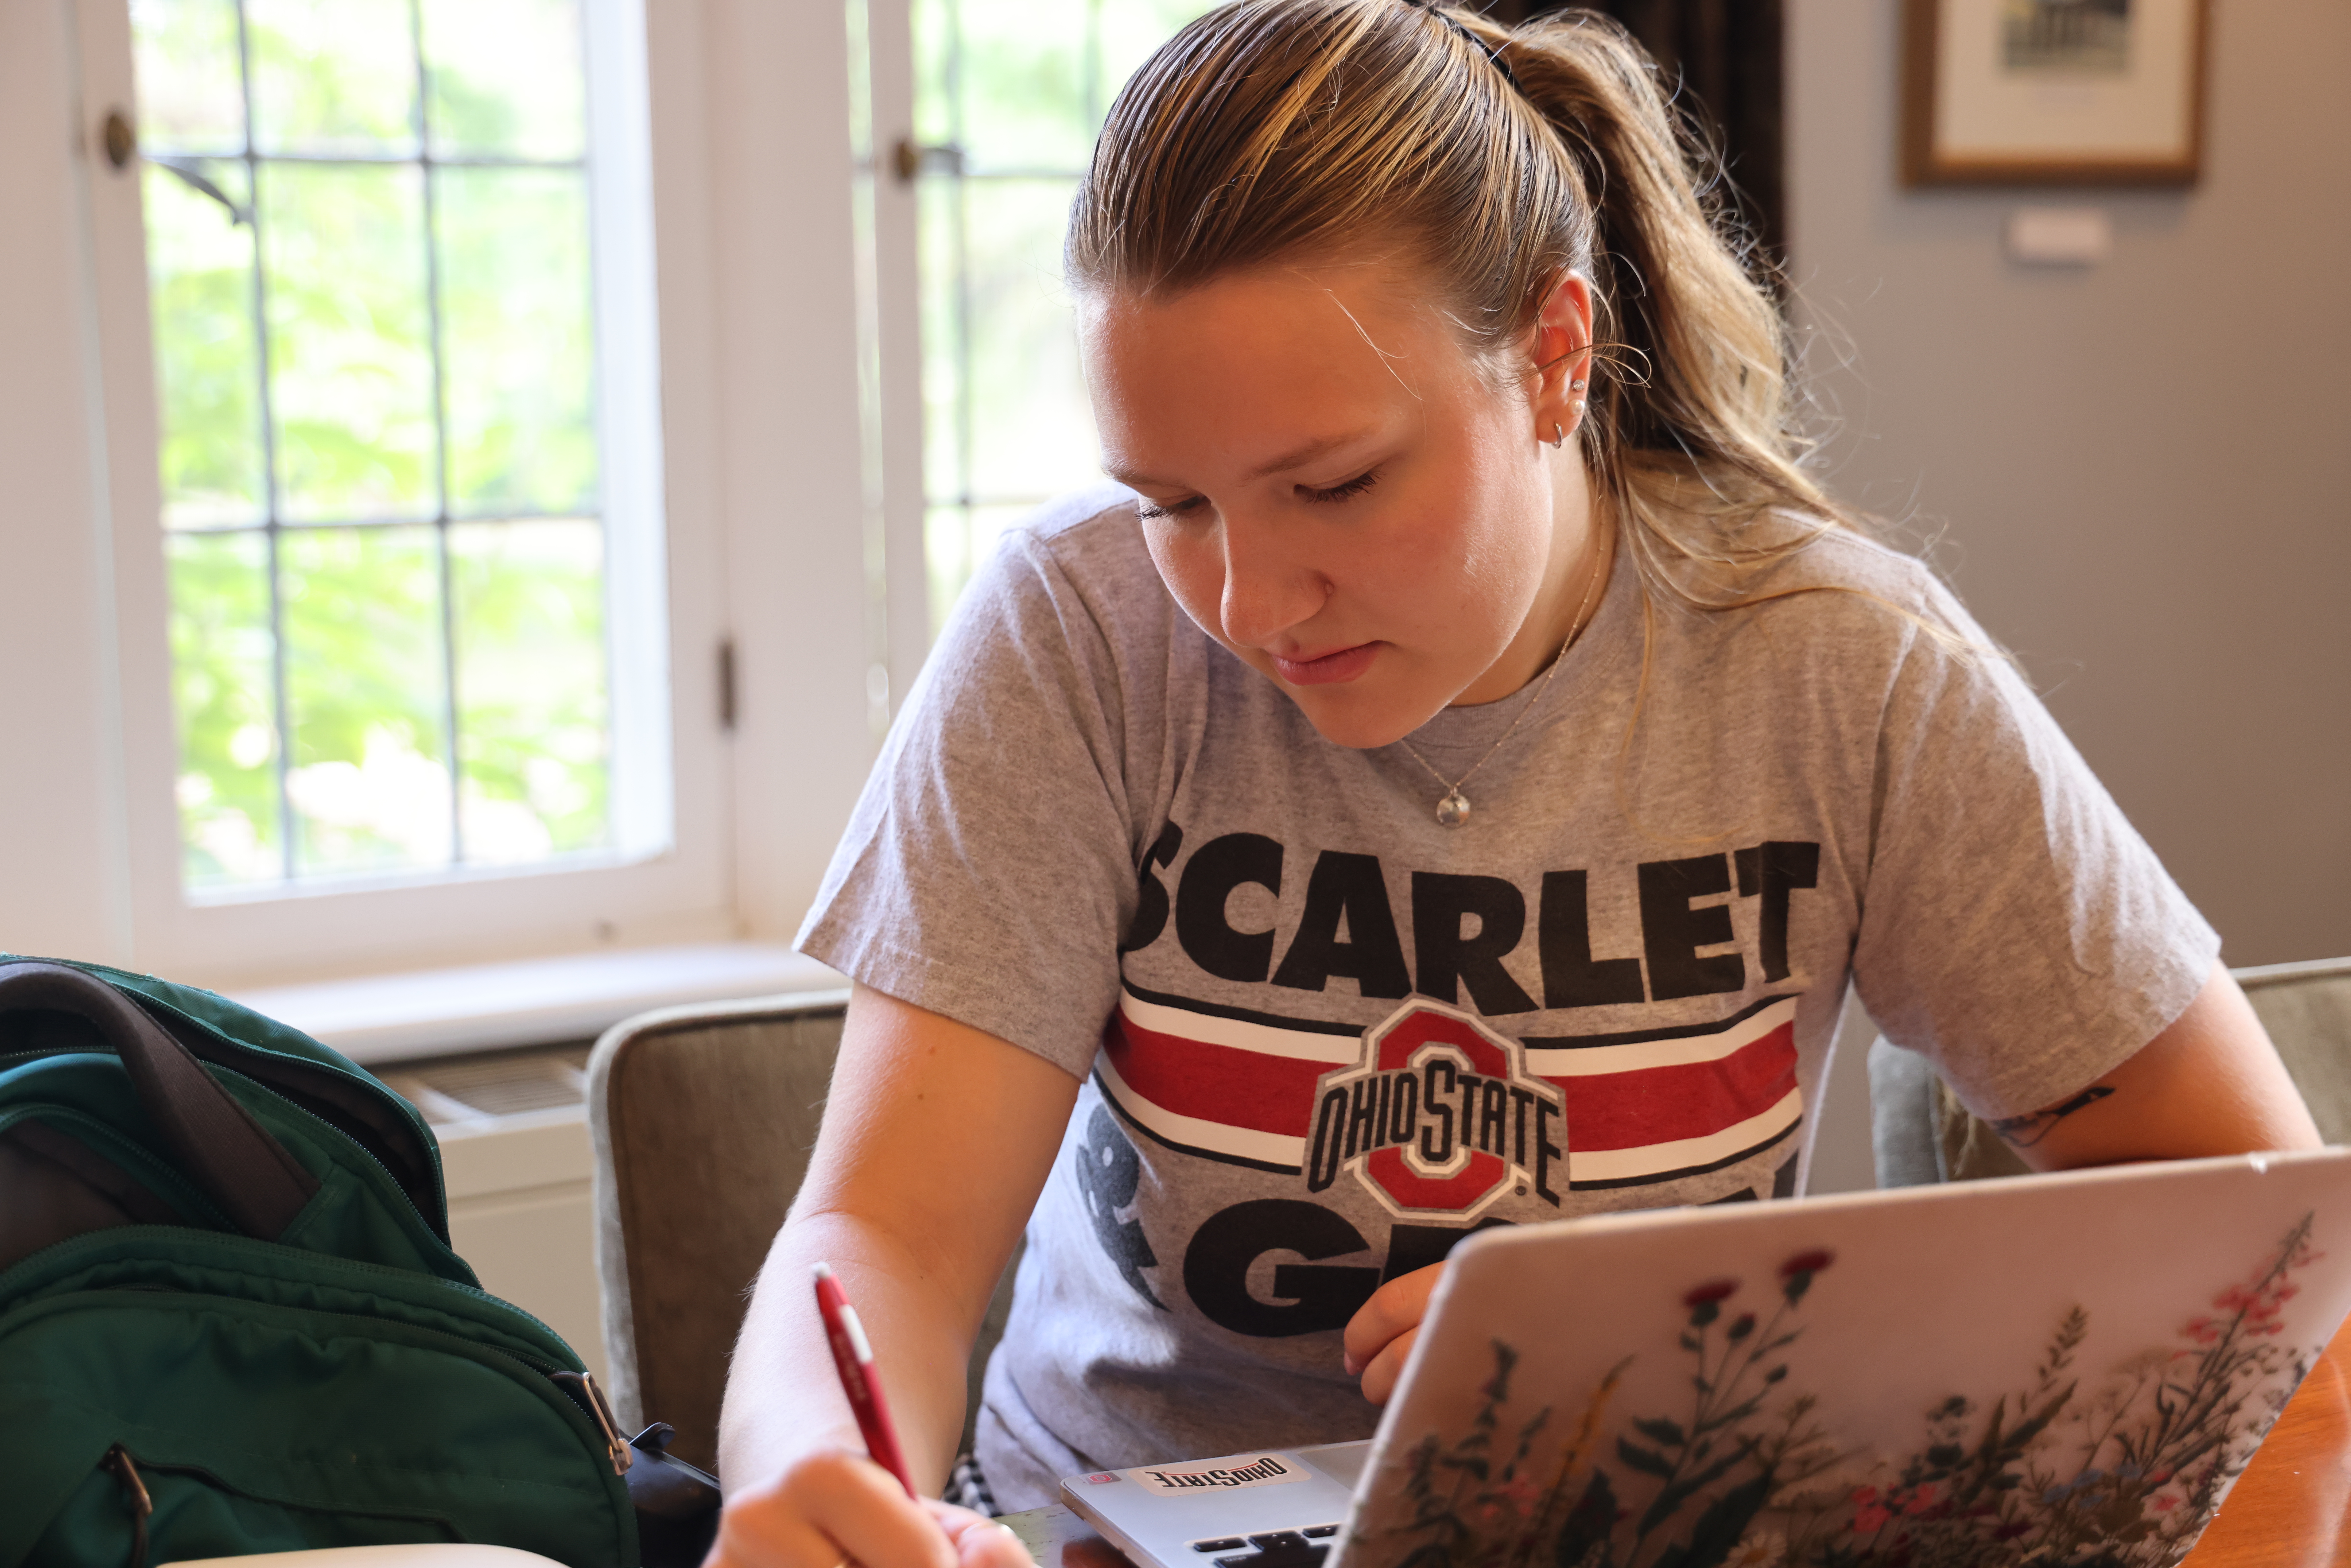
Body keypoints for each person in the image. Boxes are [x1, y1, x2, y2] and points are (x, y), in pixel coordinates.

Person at [705, 3, 2321, 1565]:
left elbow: (2256, 1226)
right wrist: (816, 1478)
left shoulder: (1842, 666)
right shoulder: (1076, 633)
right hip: (1118, 1522)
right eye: (1173, 502)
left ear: (1555, 357)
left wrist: (1712, 1336)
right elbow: (884, 1242)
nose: (1252, 603)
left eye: (1332, 484)